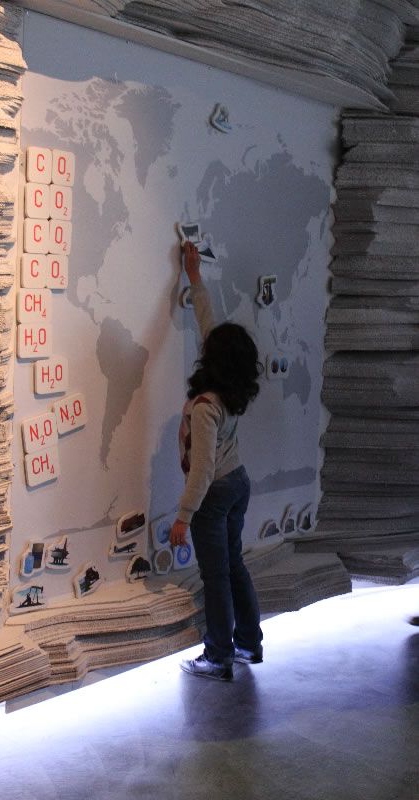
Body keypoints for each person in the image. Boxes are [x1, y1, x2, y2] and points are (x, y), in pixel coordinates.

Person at [170, 241, 263, 681]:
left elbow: (203, 467)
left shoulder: (206, 406)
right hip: (239, 481)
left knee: (216, 576)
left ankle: (218, 656)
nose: (205, 344)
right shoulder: (231, 388)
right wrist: (194, 279)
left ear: (214, 359)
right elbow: (209, 323)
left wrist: (183, 517)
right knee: (234, 564)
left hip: (216, 490)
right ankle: (248, 643)